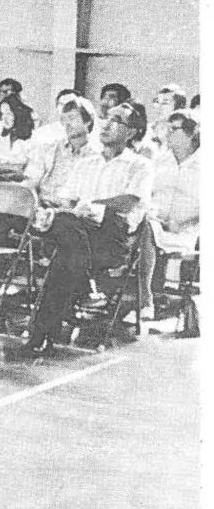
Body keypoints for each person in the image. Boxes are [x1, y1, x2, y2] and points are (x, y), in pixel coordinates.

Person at [23, 101, 155, 355]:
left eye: (117, 121)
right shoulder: (86, 162)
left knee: (64, 246)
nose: (107, 124)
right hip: (80, 233)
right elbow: (68, 199)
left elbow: (128, 203)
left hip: (113, 239)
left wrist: (90, 207)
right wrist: (74, 209)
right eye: (107, 118)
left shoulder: (140, 165)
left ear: (132, 132)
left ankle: (40, 332)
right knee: (68, 239)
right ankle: (85, 289)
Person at [139, 110, 200, 320]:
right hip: (154, 221)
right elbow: (147, 193)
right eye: (168, 128)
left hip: (183, 230)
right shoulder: (160, 161)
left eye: (175, 129)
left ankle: (145, 299)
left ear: (192, 133)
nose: (169, 134)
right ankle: (134, 295)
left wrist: (184, 221)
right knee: (144, 225)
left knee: (147, 229)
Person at [23, 96, 102, 212]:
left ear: (88, 121)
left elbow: (89, 198)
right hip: (38, 208)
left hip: (70, 214)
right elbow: (30, 183)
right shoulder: (48, 149)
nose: (67, 123)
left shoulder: (97, 157)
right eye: (64, 119)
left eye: (72, 118)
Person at [0, 94, 35, 182]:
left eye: (8, 113)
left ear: (18, 113)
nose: (4, 118)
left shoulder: (31, 140)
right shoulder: (0, 139)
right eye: (2, 114)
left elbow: (28, 174)